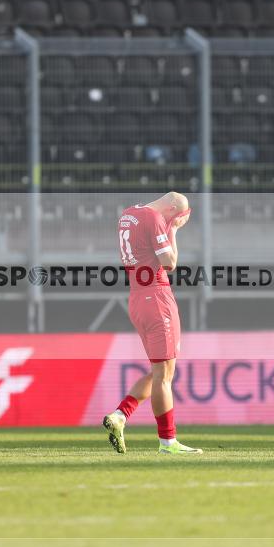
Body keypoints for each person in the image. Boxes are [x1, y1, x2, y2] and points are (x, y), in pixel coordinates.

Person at [103, 192, 202, 455]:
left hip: (137, 298)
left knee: (159, 372)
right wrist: (174, 230)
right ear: (171, 208)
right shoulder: (154, 218)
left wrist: (169, 224)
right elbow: (170, 263)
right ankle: (168, 442)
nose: (174, 220)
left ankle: (120, 415)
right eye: (177, 216)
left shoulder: (129, 213)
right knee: (164, 377)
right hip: (157, 298)